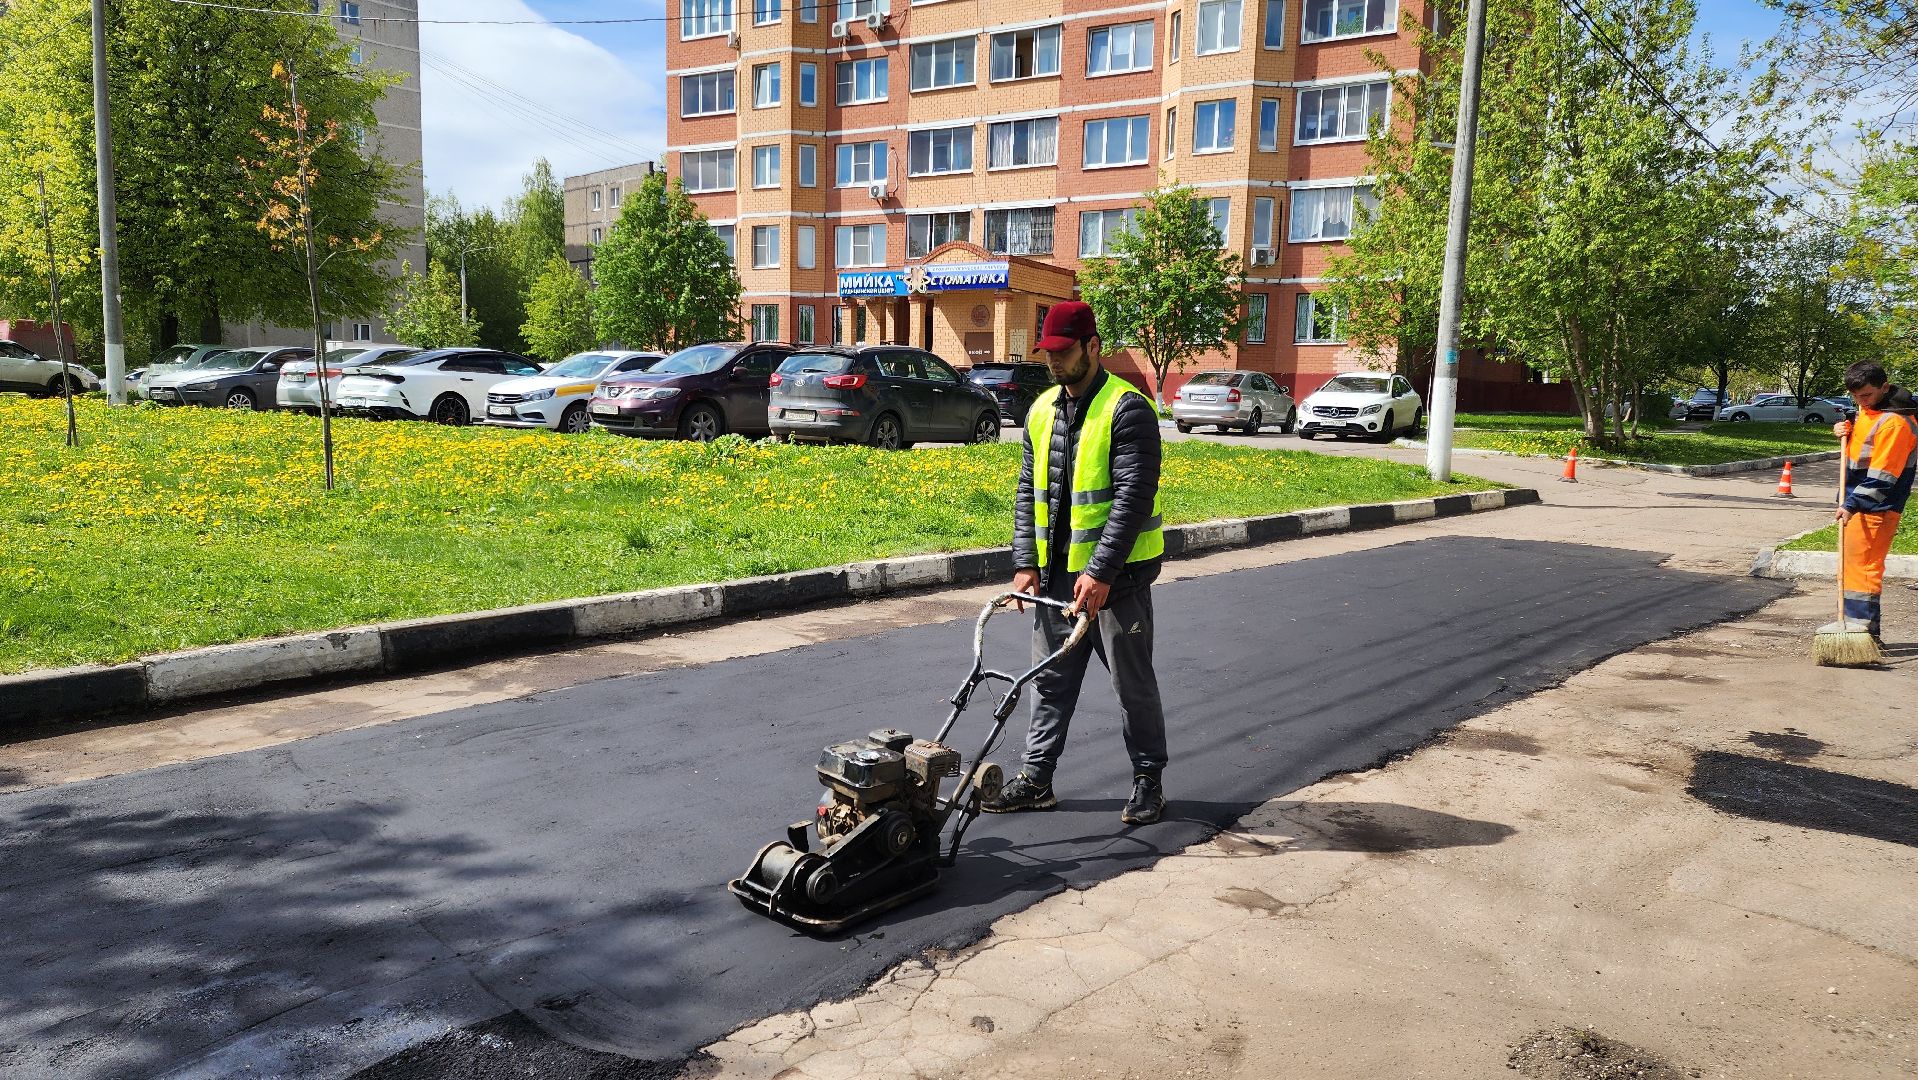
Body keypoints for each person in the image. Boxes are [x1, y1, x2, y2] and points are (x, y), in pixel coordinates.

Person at [981, 301, 1169, 826]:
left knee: (1131, 686)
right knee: (1050, 681)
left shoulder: (1128, 409)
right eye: (1048, 353)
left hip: (1119, 579)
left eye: (1063, 353)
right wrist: (1026, 561)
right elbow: (1027, 490)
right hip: (1058, 576)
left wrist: (1102, 572)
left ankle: (1148, 780)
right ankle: (1037, 780)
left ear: (1092, 346)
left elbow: (1133, 496)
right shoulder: (1041, 410)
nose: (1054, 362)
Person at [1827, 361, 1918, 644]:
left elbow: (1884, 476)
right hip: (1857, 502)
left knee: (1864, 569)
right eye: (1855, 396)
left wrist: (1852, 504)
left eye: (1866, 395)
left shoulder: (1895, 423)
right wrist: (1845, 430)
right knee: (1853, 568)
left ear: (1885, 387)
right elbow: (1862, 447)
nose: (1860, 401)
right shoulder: (1870, 411)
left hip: (1876, 505)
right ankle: (1858, 632)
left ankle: (1863, 634)